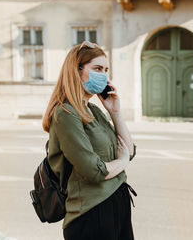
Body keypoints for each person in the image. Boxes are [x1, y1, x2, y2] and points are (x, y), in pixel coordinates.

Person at [42, 40, 137, 240]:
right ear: (77, 71)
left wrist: (114, 112)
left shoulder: (93, 110)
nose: (103, 75)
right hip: (92, 214)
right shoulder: (66, 113)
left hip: (117, 205)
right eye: (97, 69)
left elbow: (129, 149)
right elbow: (93, 171)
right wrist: (122, 161)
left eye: (105, 70)